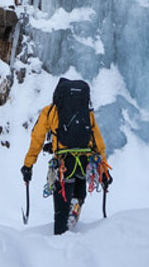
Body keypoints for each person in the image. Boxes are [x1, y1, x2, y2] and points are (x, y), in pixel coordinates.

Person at [22, 77, 112, 234]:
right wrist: (104, 171)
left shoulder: (50, 111)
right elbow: (98, 142)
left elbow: (37, 138)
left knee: (61, 213)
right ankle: (75, 212)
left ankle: (61, 240)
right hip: (83, 163)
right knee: (78, 195)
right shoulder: (86, 113)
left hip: (63, 166)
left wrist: (28, 165)